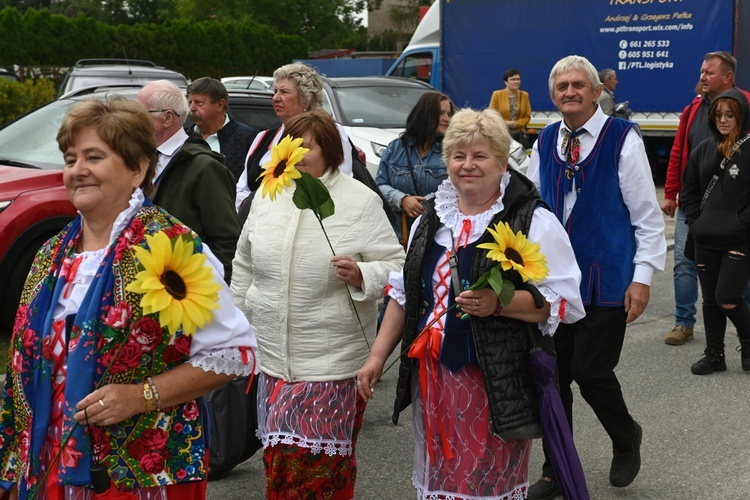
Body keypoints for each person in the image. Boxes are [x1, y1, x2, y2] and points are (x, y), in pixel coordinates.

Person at [0, 98, 257, 497]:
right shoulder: (52, 254)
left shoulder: (175, 249)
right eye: (70, 159)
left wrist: (141, 396)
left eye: (94, 157)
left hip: (138, 476)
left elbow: (236, 354)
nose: (77, 171)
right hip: (48, 468)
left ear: (137, 168)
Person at [357, 108, 585, 499]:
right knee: (442, 475)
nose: (467, 165)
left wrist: (499, 303)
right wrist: (377, 357)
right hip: (434, 375)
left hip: (495, 378)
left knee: (482, 480)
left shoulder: (531, 219)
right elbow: (404, 293)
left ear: (501, 162)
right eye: (458, 156)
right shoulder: (432, 217)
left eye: (479, 156)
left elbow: (563, 302)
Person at [231, 109, 404, 498]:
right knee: (279, 466)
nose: (297, 154)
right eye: (289, 146)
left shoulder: (360, 200)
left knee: (318, 474)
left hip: (332, 364)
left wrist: (363, 274)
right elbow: (244, 262)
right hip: (273, 360)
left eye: (307, 146)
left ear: (329, 150)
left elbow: (398, 266)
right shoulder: (268, 193)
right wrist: (238, 326)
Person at [526, 55, 666, 499]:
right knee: (551, 377)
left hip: (606, 279)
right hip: (552, 285)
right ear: (553, 95)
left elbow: (646, 215)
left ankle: (625, 438)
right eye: (561, 86)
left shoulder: (622, 139)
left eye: (577, 85)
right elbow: (529, 210)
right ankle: (555, 467)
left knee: (590, 371)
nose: (569, 92)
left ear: (594, 90)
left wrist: (642, 277)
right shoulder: (544, 140)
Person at [660, 51, 750, 346]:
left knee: (736, 277)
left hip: (736, 211)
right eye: (701, 71)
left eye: (709, 73)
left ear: (728, 77)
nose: (702, 77)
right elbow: (678, 152)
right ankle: (684, 323)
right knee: (685, 264)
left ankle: (744, 327)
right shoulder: (693, 109)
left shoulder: (747, 103)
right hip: (695, 206)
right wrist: (672, 192)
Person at [235, 62, 392, 227]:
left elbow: (340, 184)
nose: (275, 98)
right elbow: (242, 187)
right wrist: (254, 208)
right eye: (275, 92)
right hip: (260, 227)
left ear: (306, 99)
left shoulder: (331, 133)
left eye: (284, 92)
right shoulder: (263, 137)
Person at [137, 80, 241, 283]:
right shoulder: (140, 159)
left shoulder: (205, 167)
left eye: (140, 113)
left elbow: (227, 241)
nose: (131, 119)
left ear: (167, 118)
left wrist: (206, 293)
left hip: (184, 291)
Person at [681, 88, 750, 374]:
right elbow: (690, 192)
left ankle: (748, 341)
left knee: (727, 297)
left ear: (741, 117)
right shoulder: (702, 150)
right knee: (709, 301)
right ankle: (714, 355)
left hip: (740, 238)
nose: (723, 120)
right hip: (705, 237)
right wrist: (696, 224)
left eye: (730, 115)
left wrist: (741, 224)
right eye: (719, 115)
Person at [376, 91, 454, 242]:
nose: (447, 119)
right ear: (425, 115)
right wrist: (402, 200)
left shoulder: (451, 151)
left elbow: (456, 188)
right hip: (398, 236)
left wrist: (425, 203)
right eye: (441, 113)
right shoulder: (396, 147)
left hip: (435, 236)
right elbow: (379, 184)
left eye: (449, 114)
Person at [187, 77, 258, 180]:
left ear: (220, 105)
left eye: (199, 103)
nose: (192, 108)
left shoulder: (248, 139)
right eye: (190, 102)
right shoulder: (184, 138)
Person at [488, 68, 531, 146]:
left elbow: (527, 117)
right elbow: (491, 115)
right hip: (501, 134)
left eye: (518, 79)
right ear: (505, 82)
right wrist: (505, 123)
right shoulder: (497, 94)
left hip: (519, 136)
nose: (516, 82)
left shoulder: (524, 95)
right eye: (513, 79)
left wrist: (516, 124)